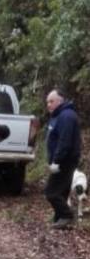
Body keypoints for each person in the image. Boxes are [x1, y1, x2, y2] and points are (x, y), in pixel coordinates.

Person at [45, 89, 82, 229]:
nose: (48, 104)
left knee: (51, 192)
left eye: (51, 101)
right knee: (61, 191)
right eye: (47, 102)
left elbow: (64, 141)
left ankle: (66, 215)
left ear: (60, 101)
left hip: (65, 161)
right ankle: (60, 219)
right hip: (63, 160)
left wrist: (57, 160)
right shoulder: (58, 115)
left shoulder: (66, 116)